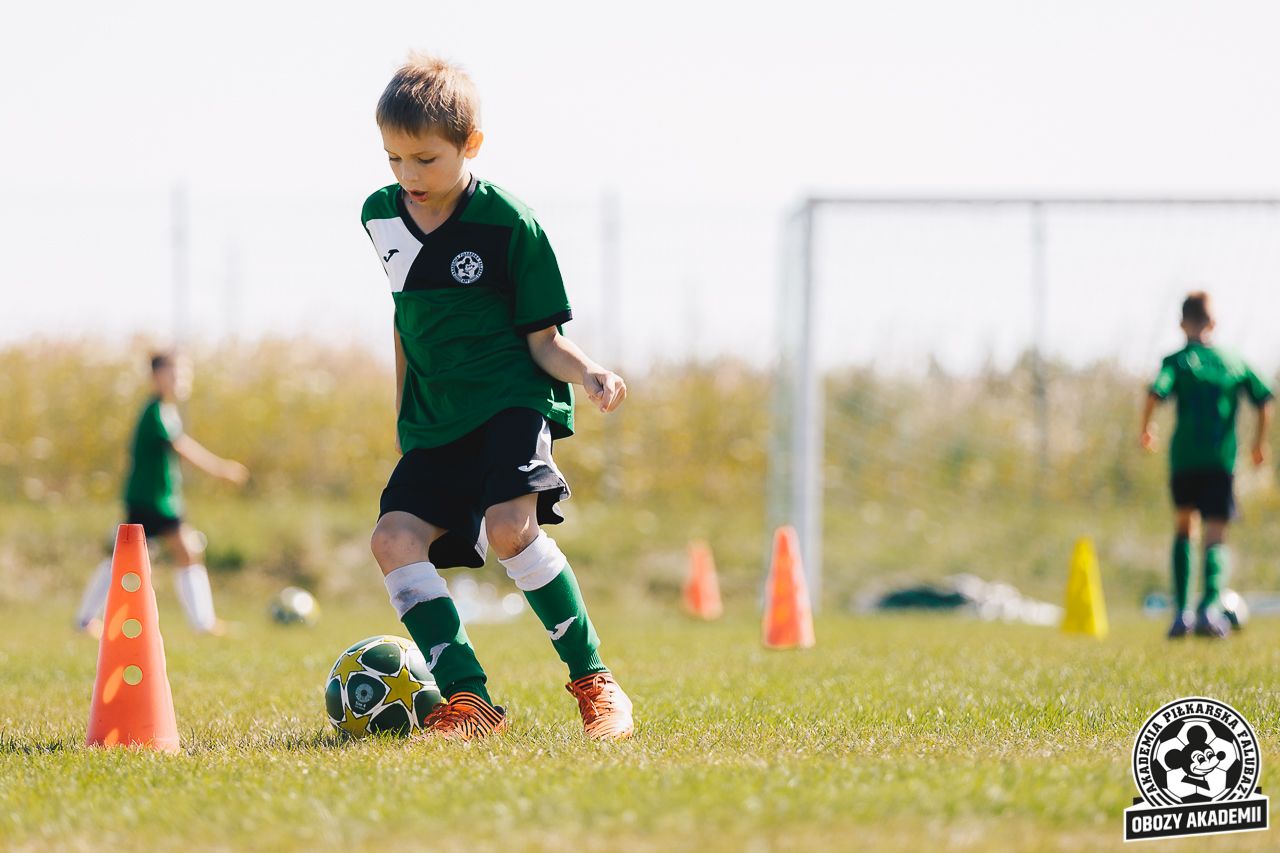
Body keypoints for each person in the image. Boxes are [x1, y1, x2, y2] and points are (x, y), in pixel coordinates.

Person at [361, 55, 633, 740]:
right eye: (394, 157)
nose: (408, 175)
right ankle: (469, 700)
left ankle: (595, 682)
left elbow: (544, 340)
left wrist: (589, 372)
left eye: (426, 158)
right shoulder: (379, 216)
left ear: (471, 144)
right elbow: (406, 320)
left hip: (512, 400)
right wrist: (404, 411)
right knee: (393, 539)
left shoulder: (511, 223)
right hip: (435, 419)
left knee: (510, 527)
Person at [76, 351, 249, 636]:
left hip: (160, 500)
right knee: (136, 558)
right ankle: (86, 619)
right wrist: (220, 468)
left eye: (184, 374)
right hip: (150, 500)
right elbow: (181, 446)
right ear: (157, 376)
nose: (182, 380)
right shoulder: (155, 412)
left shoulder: (167, 411)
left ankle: (203, 622)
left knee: (177, 552)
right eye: (175, 374)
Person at [1140, 292, 1272, 638]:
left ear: (1182, 323)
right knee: (1216, 533)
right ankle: (1209, 610)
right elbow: (1264, 398)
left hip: (1184, 459)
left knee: (1185, 527)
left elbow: (1155, 392)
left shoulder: (1177, 360)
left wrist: (1146, 429)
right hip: (1220, 461)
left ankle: (1181, 613)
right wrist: (1259, 443)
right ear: (1214, 322)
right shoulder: (1233, 360)